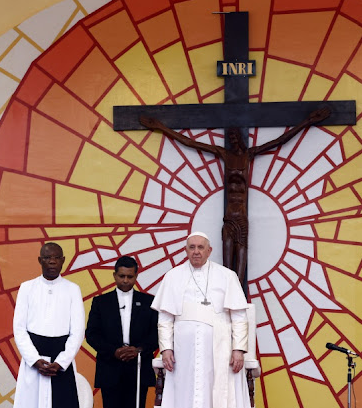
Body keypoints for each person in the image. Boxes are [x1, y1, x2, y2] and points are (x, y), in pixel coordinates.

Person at [140, 107, 330, 287]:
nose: (233, 139)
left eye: (234, 136)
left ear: (240, 137)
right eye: (230, 137)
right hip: (229, 219)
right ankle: (224, 304)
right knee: (225, 269)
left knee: (238, 274)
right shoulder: (224, 153)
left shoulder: (248, 155)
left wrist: (307, 121)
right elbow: (190, 142)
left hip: (242, 219)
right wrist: (161, 127)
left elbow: (279, 140)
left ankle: (237, 306)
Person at [150, 232, 253, 408]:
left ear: (209, 250)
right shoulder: (173, 276)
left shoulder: (227, 276)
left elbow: (239, 317)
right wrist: (166, 348)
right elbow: (165, 319)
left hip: (219, 355)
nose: (196, 251)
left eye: (200, 247)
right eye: (191, 247)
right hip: (184, 356)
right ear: (186, 250)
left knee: (213, 401)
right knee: (185, 403)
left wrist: (238, 349)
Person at [9, 242, 85, 408]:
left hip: (62, 364)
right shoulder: (27, 288)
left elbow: (78, 331)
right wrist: (34, 360)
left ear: (62, 261)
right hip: (35, 362)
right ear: (40, 260)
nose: (52, 261)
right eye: (47, 257)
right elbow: (19, 328)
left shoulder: (72, 289)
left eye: (56, 257)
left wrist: (61, 362)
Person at [85, 256, 158, 408]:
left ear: (136, 276)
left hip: (138, 369)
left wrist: (139, 350)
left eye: (130, 276)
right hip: (111, 368)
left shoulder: (149, 301)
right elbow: (92, 334)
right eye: (121, 276)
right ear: (114, 275)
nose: (125, 281)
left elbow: (156, 334)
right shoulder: (100, 302)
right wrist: (115, 351)